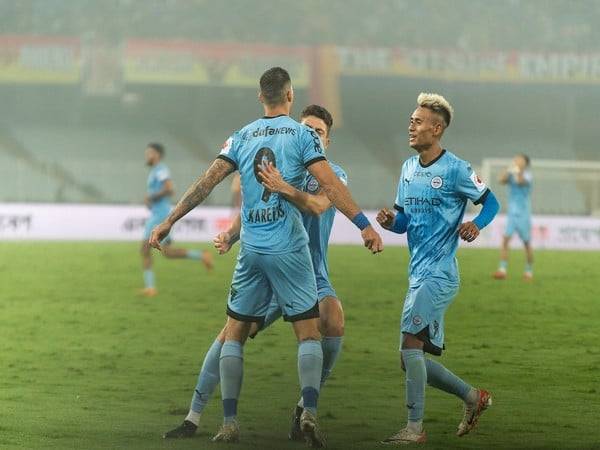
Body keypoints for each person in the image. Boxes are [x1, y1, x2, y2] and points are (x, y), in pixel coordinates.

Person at [149, 67, 382, 446]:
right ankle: (201, 416)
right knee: (262, 334)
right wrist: (364, 225)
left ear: (261, 96)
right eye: (313, 129)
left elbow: (210, 183)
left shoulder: (243, 136)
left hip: (280, 260)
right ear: (289, 98)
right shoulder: (301, 139)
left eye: (321, 132)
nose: (315, 134)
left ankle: (277, 413)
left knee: (328, 320)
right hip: (289, 257)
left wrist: (168, 220)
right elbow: (324, 192)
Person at [376, 93, 499, 445]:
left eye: (418, 121)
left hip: (440, 273)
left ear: (437, 128)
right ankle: (474, 398)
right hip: (417, 274)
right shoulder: (407, 169)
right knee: (408, 358)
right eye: (411, 119)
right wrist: (391, 221)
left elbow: (491, 200)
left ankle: (414, 429)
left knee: (410, 344)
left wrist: (477, 224)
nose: (411, 126)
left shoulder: (456, 169)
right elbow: (403, 222)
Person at [140, 142, 213, 297]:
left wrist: (151, 197)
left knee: (144, 249)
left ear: (157, 154)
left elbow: (169, 188)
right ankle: (201, 255)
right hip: (161, 214)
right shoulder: (156, 170)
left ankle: (150, 288)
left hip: (160, 216)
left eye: (150, 152)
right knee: (168, 252)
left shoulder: (161, 170)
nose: (147, 155)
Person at [493, 154, 533, 281]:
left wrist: (517, 169)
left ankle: (528, 271)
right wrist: (509, 169)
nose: (516, 161)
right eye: (515, 159)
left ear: (525, 163)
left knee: (526, 243)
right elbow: (500, 180)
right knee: (505, 240)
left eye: (519, 159)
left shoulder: (527, 175)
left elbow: (520, 181)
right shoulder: (512, 172)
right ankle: (502, 270)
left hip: (523, 214)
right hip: (512, 214)